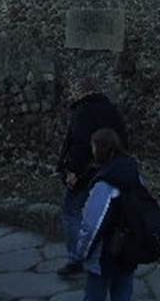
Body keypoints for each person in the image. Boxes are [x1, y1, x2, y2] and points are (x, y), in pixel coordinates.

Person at [55, 77, 129, 276]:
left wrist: (73, 171)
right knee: (107, 214)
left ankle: (76, 258)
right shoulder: (111, 110)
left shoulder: (83, 111)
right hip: (111, 170)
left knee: (72, 211)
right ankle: (107, 255)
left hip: (87, 172)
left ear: (81, 91)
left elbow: (80, 144)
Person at [70, 127, 140, 301]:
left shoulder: (105, 183)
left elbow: (91, 225)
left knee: (94, 295)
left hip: (104, 253)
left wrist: (80, 254)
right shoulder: (135, 174)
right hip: (129, 248)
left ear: (100, 149)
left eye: (93, 147)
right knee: (123, 293)